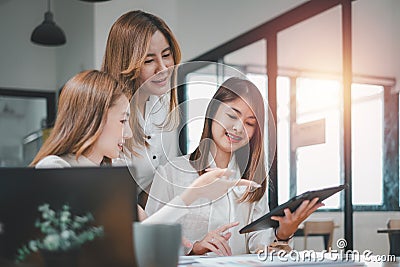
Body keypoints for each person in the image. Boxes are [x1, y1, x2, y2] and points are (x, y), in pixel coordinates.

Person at [30, 70, 259, 229]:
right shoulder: (54, 168)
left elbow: (145, 229)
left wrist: (195, 194)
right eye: (122, 121)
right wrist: (192, 194)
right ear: (94, 120)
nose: (129, 134)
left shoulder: (114, 174)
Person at [146, 77, 324, 256]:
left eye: (250, 123)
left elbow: (260, 245)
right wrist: (194, 247)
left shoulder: (252, 180)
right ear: (212, 112)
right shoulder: (171, 173)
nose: (239, 128)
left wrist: (283, 235)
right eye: (232, 115)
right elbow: (149, 238)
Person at [101, 10, 181, 205]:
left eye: (166, 55)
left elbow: (153, 186)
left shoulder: (162, 107)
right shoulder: (105, 113)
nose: (162, 68)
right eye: (148, 60)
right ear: (125, 64)